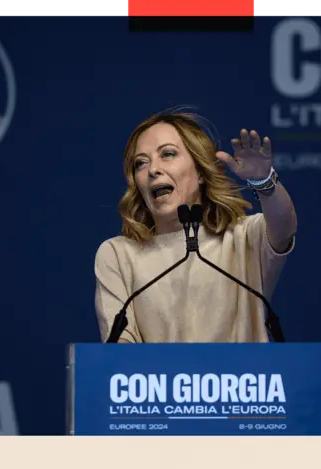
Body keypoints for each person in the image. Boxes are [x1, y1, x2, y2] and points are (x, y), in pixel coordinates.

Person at [94, 111, 297, 343]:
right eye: (141, 163)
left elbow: (285, 226)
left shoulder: (243, 238)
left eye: (167, 154)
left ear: (200, 172)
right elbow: (118, 349)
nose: (152, 170)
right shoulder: (117, 254)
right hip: (157, 379)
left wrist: (264, 183)